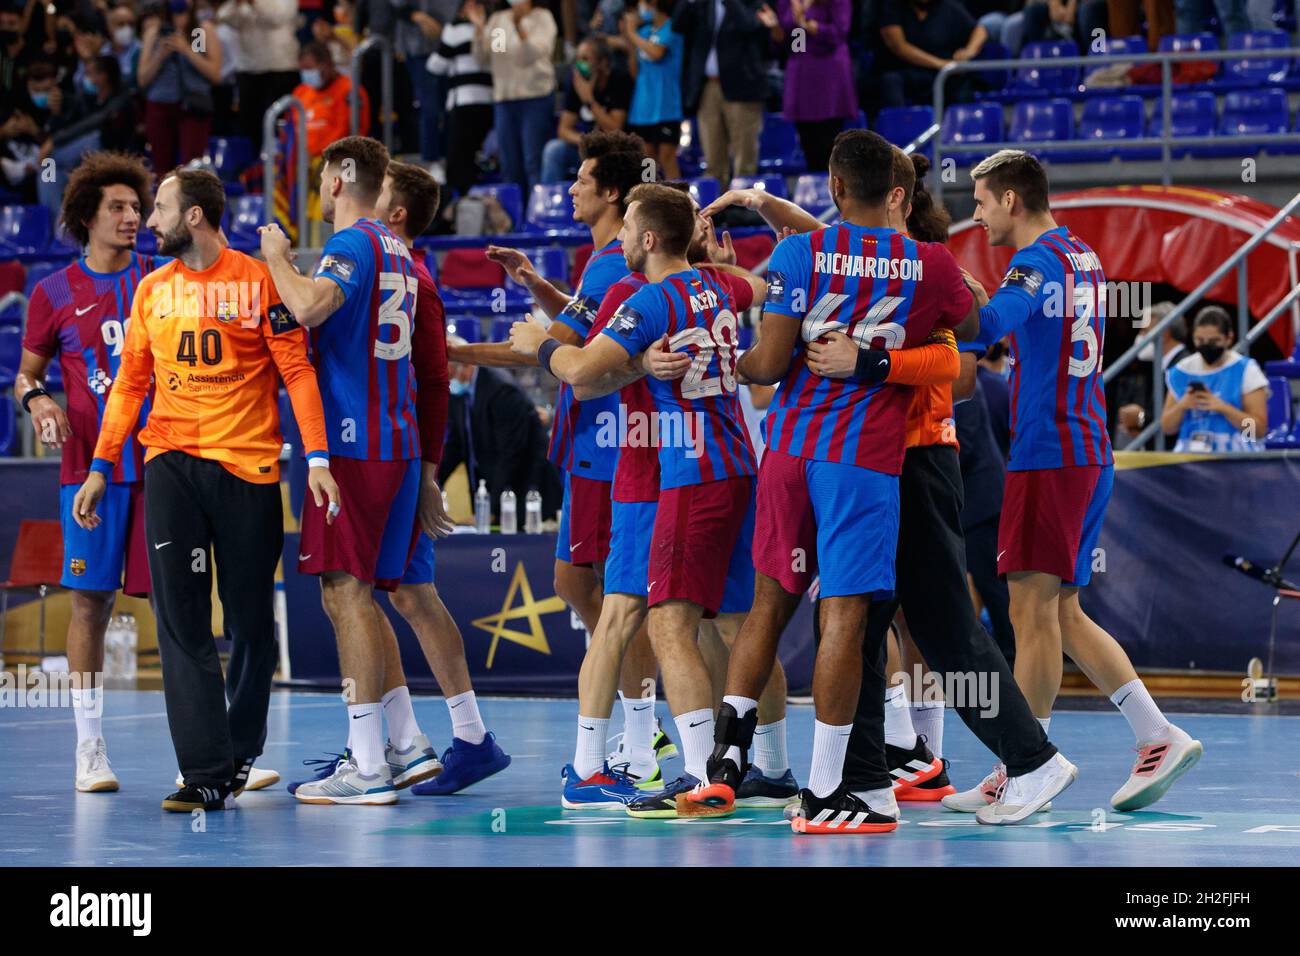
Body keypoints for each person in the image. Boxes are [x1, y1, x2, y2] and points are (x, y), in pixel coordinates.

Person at [685, 130, 982, 833]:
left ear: (837, 189)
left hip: (788, 452)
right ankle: (825, 794)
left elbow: (765, 365)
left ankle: (722, 765)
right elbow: (973, 322)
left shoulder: (797, 253)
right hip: (862, 464)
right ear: (901, 194)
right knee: (846, 622)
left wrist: (717, 356)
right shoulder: (928, 262)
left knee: (767, 607)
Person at [70, 167, 334, 813]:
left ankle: (240, 753)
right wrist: (102, 466)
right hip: (170, 466)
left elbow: (296, 370)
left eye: (158, 208)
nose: (149, 222)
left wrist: (318, 455)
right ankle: (205, 772)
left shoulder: (257, 281)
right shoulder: (152, 291)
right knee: (181, 620)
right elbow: (131, 383)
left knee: (248, 621)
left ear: (193, 216)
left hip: (248, 470)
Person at [509, 182, 768, 817]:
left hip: (678, 468)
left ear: (650, 237)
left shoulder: (647, 294)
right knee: (699, 618)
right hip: (711, 467)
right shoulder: (719, 285)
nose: (620, 236)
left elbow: (581, 371)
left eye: (628, 224)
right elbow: (760, 288)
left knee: (670, 620)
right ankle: (726, 763)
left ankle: (698, 767)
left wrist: (536, 343)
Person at [961, 148, 1203, 816]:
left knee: (1030, 613)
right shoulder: (1081, 253)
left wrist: (942, 292)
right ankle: (1157, 734)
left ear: (1011, 199)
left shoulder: (1035, 263)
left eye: (980, 202)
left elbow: (986, 328)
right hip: (1086, 447)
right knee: (1060, 612)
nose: (975, 216)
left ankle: (1028, 766)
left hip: (1052, 453)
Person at [448, 131, 672, 777]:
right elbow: (587, 318)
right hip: (602, 442)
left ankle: (642, 727)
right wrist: (535, 282)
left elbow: (544, 350)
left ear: (609, 194)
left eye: (580, 180)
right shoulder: (603, 260)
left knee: (592, 586)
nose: (568, 188)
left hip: (605, 444)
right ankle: (645, 722)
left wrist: (454, 351)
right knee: (593, 586)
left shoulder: (609, 262)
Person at [288, 160, 512, 798]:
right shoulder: (410, 270)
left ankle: (379, 758)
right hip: (401, 450)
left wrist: (277, 256)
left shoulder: (377, 257)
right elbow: (429, 378)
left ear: (392, 209)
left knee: (359, 593)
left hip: (370, 451)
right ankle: (426, 741)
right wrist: (426, 468)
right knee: (403, 592)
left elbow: (432, 378)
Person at [260, 136, 454, 805]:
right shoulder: (400, 249)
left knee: (345, 594)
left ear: (342, 179)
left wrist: (278, 258)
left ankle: (367, 766)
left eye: (321, 175)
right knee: (359, 594)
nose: (317, 187)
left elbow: (310, 308)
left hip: (352, 444)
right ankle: (406, 744)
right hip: (395, 445)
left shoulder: (354, 244)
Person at [16, 152, 161, 796]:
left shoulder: (162, 278)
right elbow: (27, 373)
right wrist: (36, 399)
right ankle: (89, 749)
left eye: (137, 207)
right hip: (88, 471)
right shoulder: (51, 293)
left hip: (163, 464)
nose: (133, 218)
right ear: (85, 217)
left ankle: (205, 756)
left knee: (181, 609)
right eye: (119, 208)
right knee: (91, 605)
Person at [440, 337, 560, 518]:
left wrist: (491, 507)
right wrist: (432, 482)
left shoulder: (501, 391)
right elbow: (456, 445)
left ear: (463, 364)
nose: (443, 375)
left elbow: (510, 454)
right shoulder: (459, 394)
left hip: (524, 494)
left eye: (446, 369)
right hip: (490, 491)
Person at [673, 0, 773, 181]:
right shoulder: (703, 4)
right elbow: (678, 25)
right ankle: (715, 205)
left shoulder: (752, 3)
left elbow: (750, 25)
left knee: (744, 157)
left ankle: (743, 206)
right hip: (707, 87)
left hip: (743, 87)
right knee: (712, 157)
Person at [472, 0, 557, 195]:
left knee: (532, 160)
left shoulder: (542, 18)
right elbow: (492, 56)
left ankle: (534, 213)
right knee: (509, 162)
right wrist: (479, 30)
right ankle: (514, 217)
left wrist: (519, 27)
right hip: (505, 99)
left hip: (535, 98)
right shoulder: (500, 20)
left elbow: (532, 55)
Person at [1161, 305, 1269, 453]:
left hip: (1237, 458)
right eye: (1199, 340)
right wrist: (1182, 406)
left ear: (1229, 338)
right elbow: (1167, 428)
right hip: (1191, 458)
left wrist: (1223, 408)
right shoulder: (1181, 371)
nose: (1206, 346)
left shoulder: (1246, 370)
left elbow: (1256, 432)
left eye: (1214, 341)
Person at [137, 0, 222, 172]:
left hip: (192, 106)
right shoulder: (156, 32)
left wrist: (186, 50)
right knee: (162, 168)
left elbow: (215, 74)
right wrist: (160, 55)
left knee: (190, 169)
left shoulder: (200, 31)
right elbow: (142, 79)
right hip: (160, 105)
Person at [774, 0, 857, 173]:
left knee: (829, 145)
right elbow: (797, 43)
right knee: (808, 145)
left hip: (829, 78)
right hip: (802, 76)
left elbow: (839, 34)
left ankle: (835, 192)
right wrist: (780, 28)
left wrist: (807, 23)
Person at [426, 0, 494, 198]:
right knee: (461, 158)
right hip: (470, 102)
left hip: (476, 103)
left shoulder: (495, 27)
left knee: (464, 158)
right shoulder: (457, 28)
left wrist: (480, 28)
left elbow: (499, 56)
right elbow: (434, 65)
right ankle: (463, 207)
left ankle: (468, 202)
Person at [541, 36, 631, 184]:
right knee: (553, 150)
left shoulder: (619, 80)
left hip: (614, 149)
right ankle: (551, 202)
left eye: (585, 58)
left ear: (603, 62)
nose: (579, 64)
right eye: (578, 59)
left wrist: (589, 99)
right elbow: (563, 130)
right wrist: (588, 142)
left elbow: (615, 129)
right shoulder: (575, 81)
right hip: (587, 148)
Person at [216, 0, 300, 144]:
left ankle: (282, 163)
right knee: (249, 126)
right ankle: (253, 164)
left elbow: (279, 17)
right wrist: (236, 4)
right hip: (248, 69)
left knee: (279, 124)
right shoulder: (242, 4)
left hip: (280, 68)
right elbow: (225, 18)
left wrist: (254, 2)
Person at [878, 0, 986, 109]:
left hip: (943, 73)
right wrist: (939, 63)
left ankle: (963, 123)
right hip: (906, 71)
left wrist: (969, 51)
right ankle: (899, 124)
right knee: (890, 81)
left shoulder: (949, 6)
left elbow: (980, 30)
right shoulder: (892, 7)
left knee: (961, 81)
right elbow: (899, 46)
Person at [619, 2, 683, 180]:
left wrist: (631, 33)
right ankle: (650, 200)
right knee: (648, 159)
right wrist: (629, 39)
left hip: (667, 105)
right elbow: (634, 71)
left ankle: (678, 203)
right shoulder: (644, 32)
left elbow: (656, 53)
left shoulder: (672, 27)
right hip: (643, 107)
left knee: (667, 157)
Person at [293, 39, 369, 158]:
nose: (306, 74)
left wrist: (317, 155)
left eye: (309, 68)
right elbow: (290, 130)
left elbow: (346, 132)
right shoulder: (301, 91)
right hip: (301, 162)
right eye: (302, 70)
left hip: (335, 159)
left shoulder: (349, 90)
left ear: (327, 65)